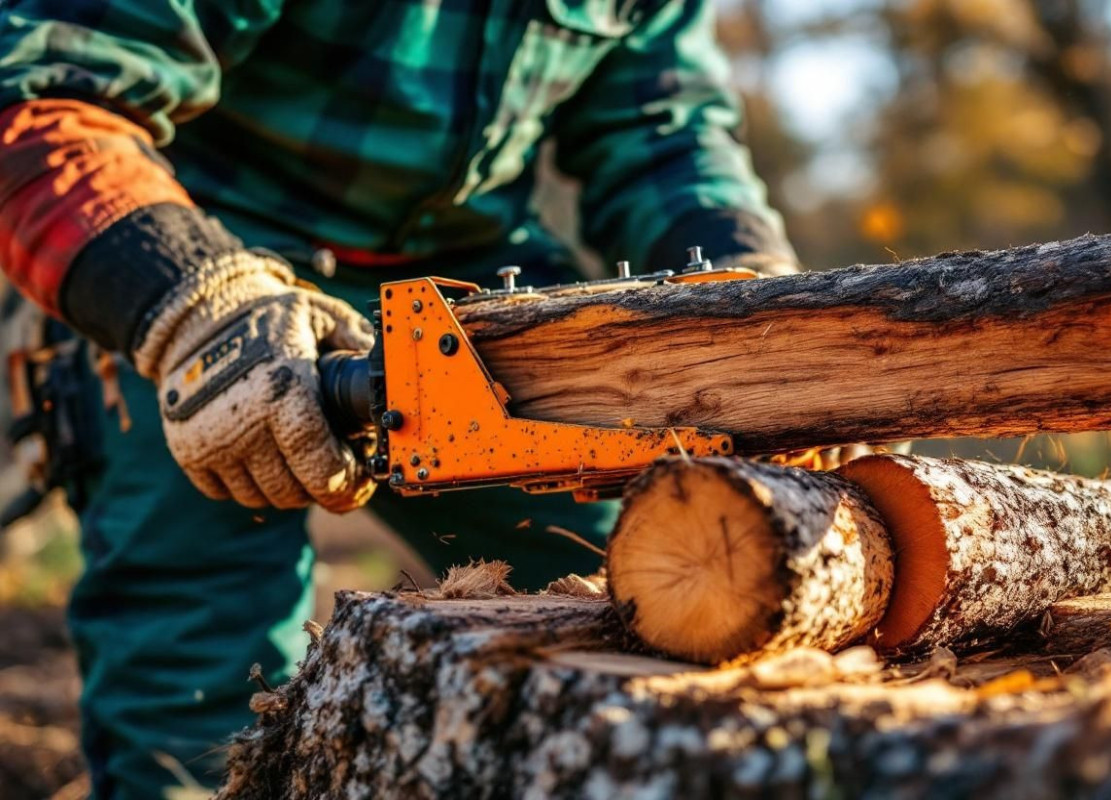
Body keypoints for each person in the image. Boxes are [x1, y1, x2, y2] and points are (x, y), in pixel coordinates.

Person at [0, 1, 796, 795]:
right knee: (194, 687)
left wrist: (765, 319)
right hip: (206, 250)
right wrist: (185, 304)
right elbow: (37, 99)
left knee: (669, 566)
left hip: (466, 269)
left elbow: (664, 135)